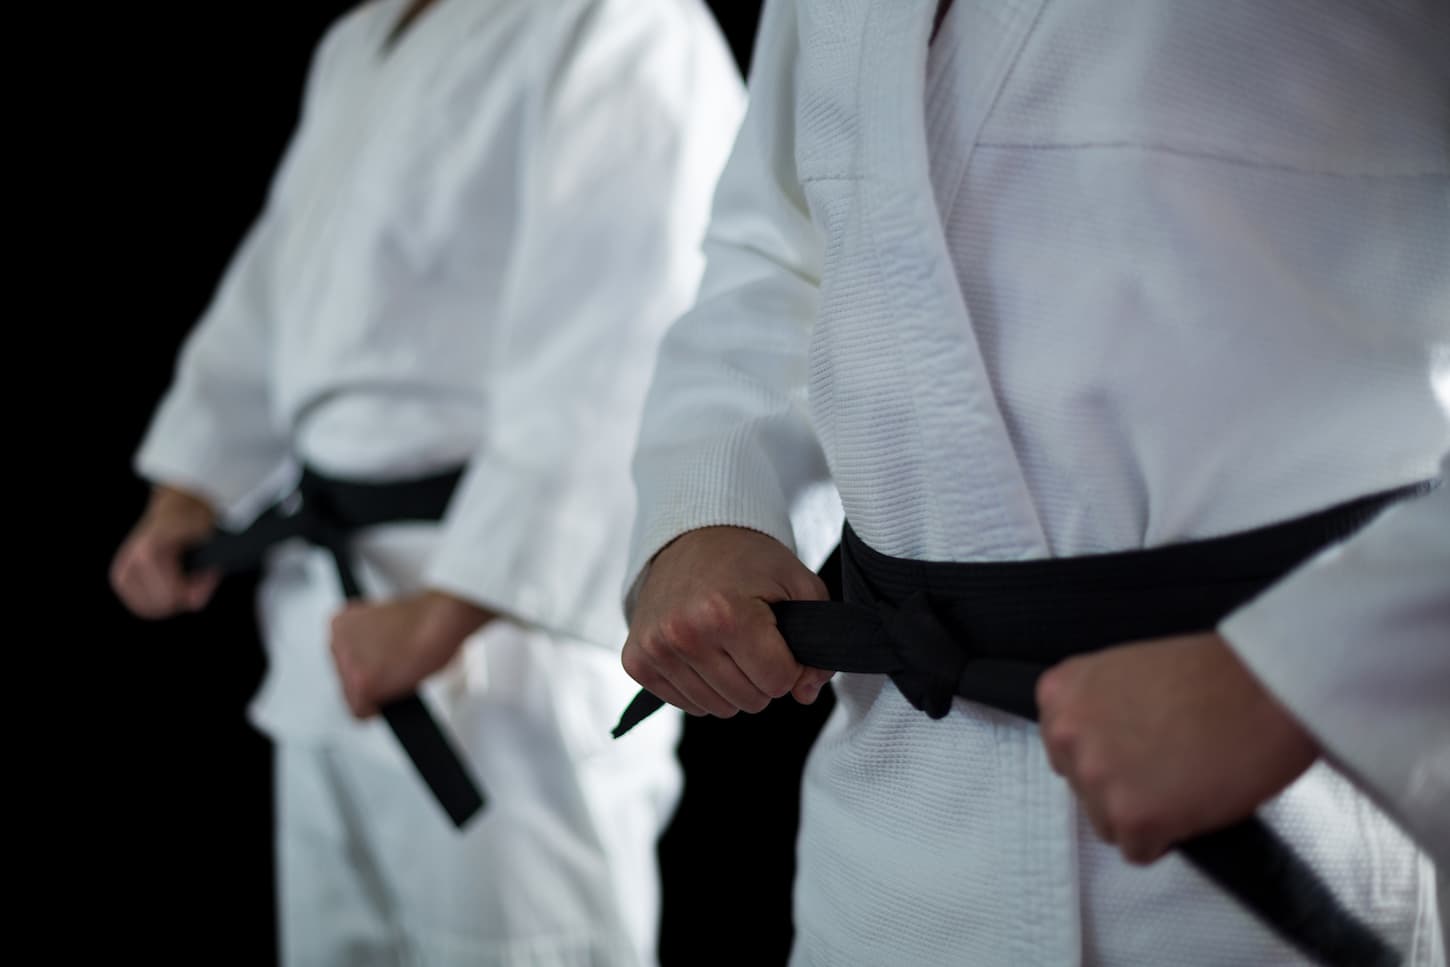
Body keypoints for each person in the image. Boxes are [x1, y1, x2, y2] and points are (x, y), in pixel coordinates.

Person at [618, 1, 1446, 964]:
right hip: (886, 830)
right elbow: (783, 242)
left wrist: (1309, 670)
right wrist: (712, 506)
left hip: (1268, 819)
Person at [109, 1, 744, 964]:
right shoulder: (362, 40)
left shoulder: (621, 21)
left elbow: (622, 340)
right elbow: (278, 287)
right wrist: (191, 489)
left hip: (501, 649)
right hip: (330, 623)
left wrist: (448, 611)